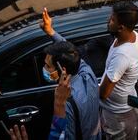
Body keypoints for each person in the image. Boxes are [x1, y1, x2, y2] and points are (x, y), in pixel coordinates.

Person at [40, 9, 101, 140]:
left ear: (62, 70)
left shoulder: (66, 104)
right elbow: (72, 52)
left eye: (48, 66)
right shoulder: (87, 74)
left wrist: (58, 104)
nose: (44, 68)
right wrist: (50, 31)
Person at [99, 2, 138, 140]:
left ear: (121, 27)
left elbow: (103, 94)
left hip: (118, 117)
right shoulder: (134, 35)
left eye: (112, 19)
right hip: (126, 105)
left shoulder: (122, 55)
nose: (108, 21)